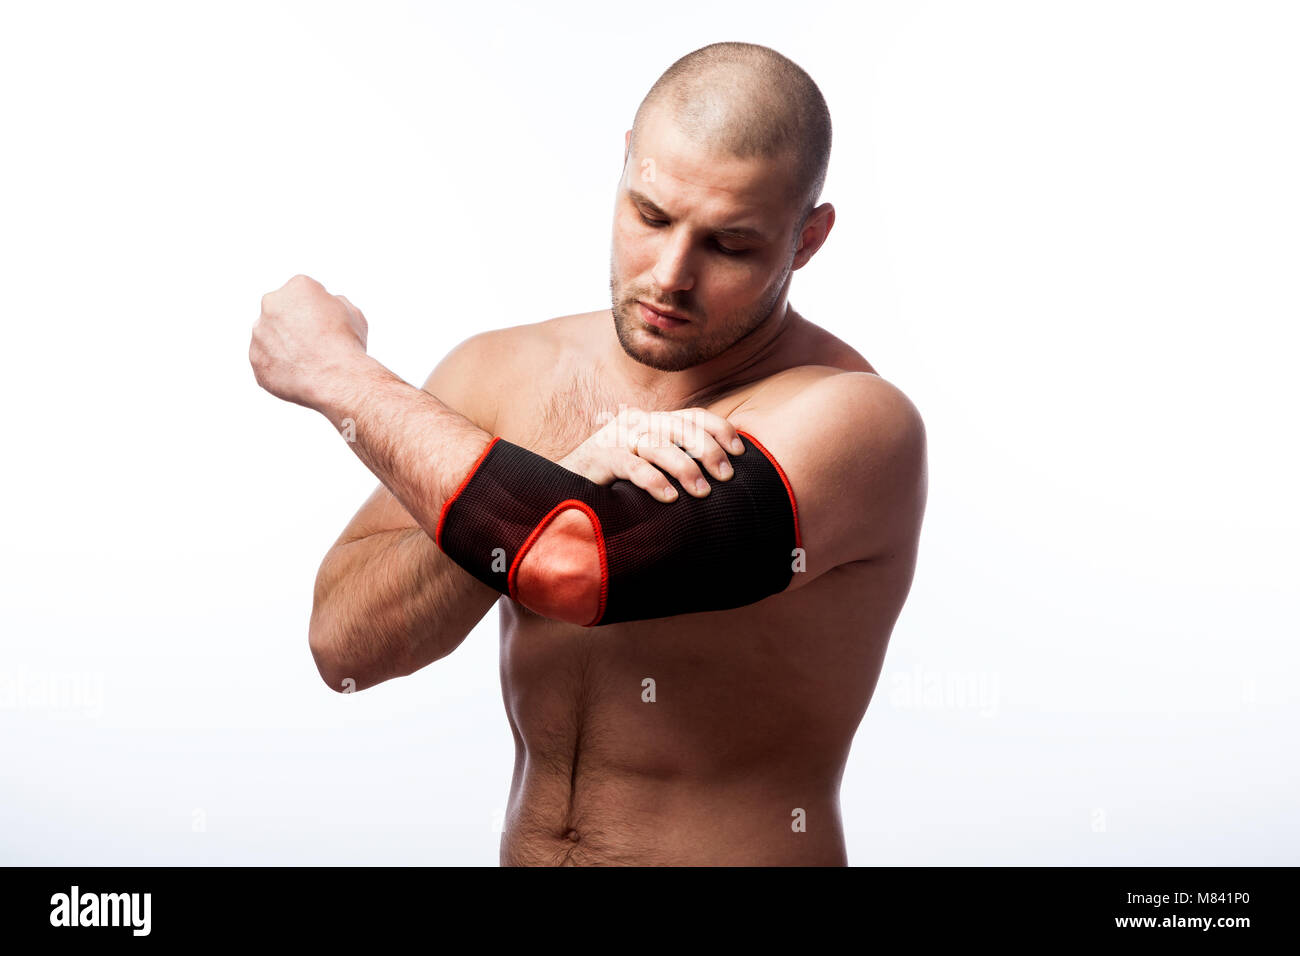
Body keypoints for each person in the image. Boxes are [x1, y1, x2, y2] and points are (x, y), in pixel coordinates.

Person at [249, 41, 928, 866]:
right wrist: (552, 479)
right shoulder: (499, 372)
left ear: (808, 238)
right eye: (650, 216)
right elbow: (344, 647)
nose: (671, 274)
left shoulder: (854, 422)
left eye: (731, 245)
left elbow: (575, 563)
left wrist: (340, 375)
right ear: (624, 173)